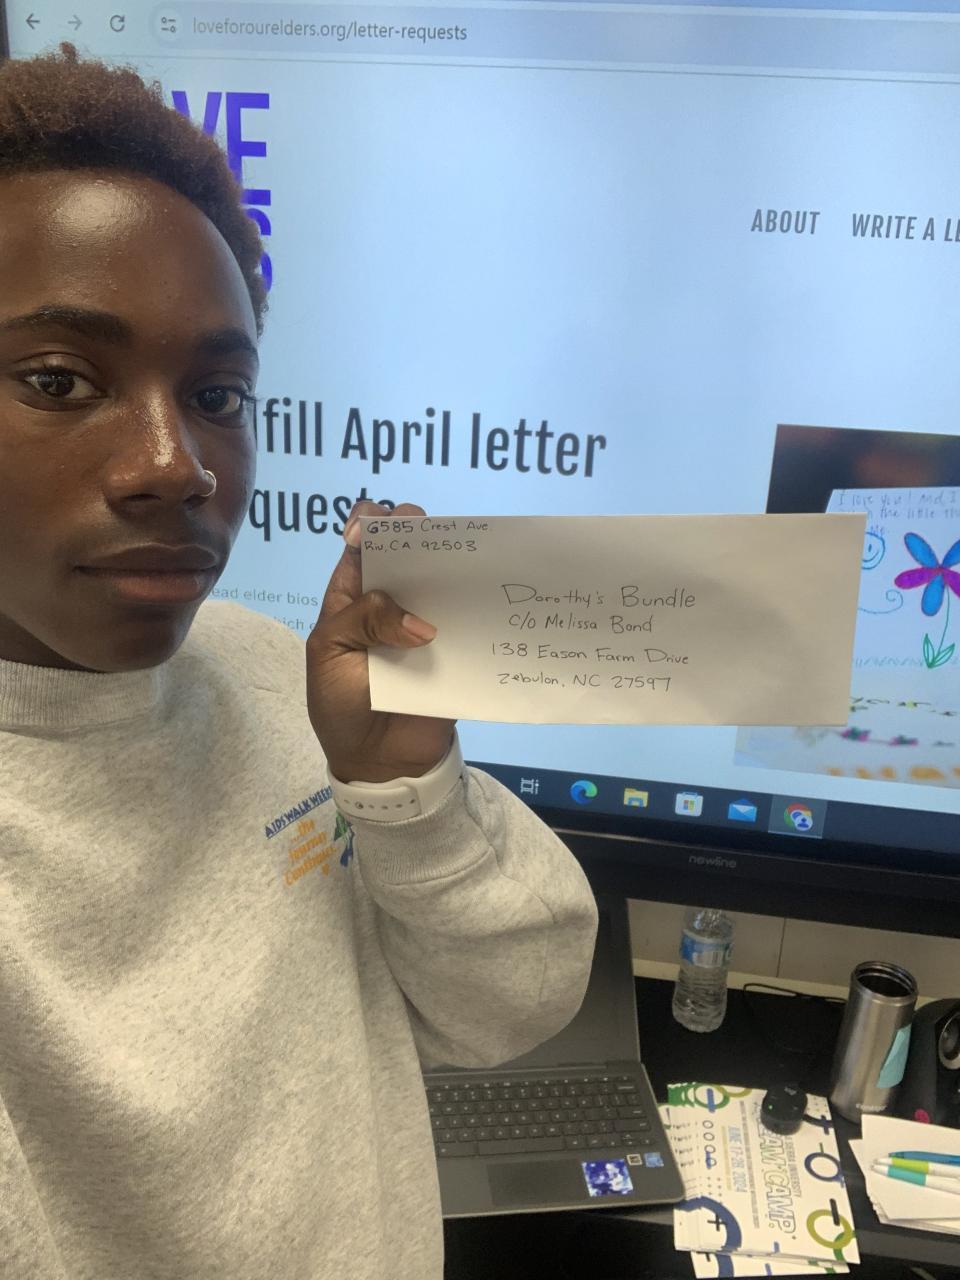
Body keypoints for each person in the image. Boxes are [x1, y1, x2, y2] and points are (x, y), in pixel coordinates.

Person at [0, 44, 598, 1280]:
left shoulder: (273, 672)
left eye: (218, 394)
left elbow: (512, 1007)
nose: (176, 464)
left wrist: (406, 795)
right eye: (59, 379)